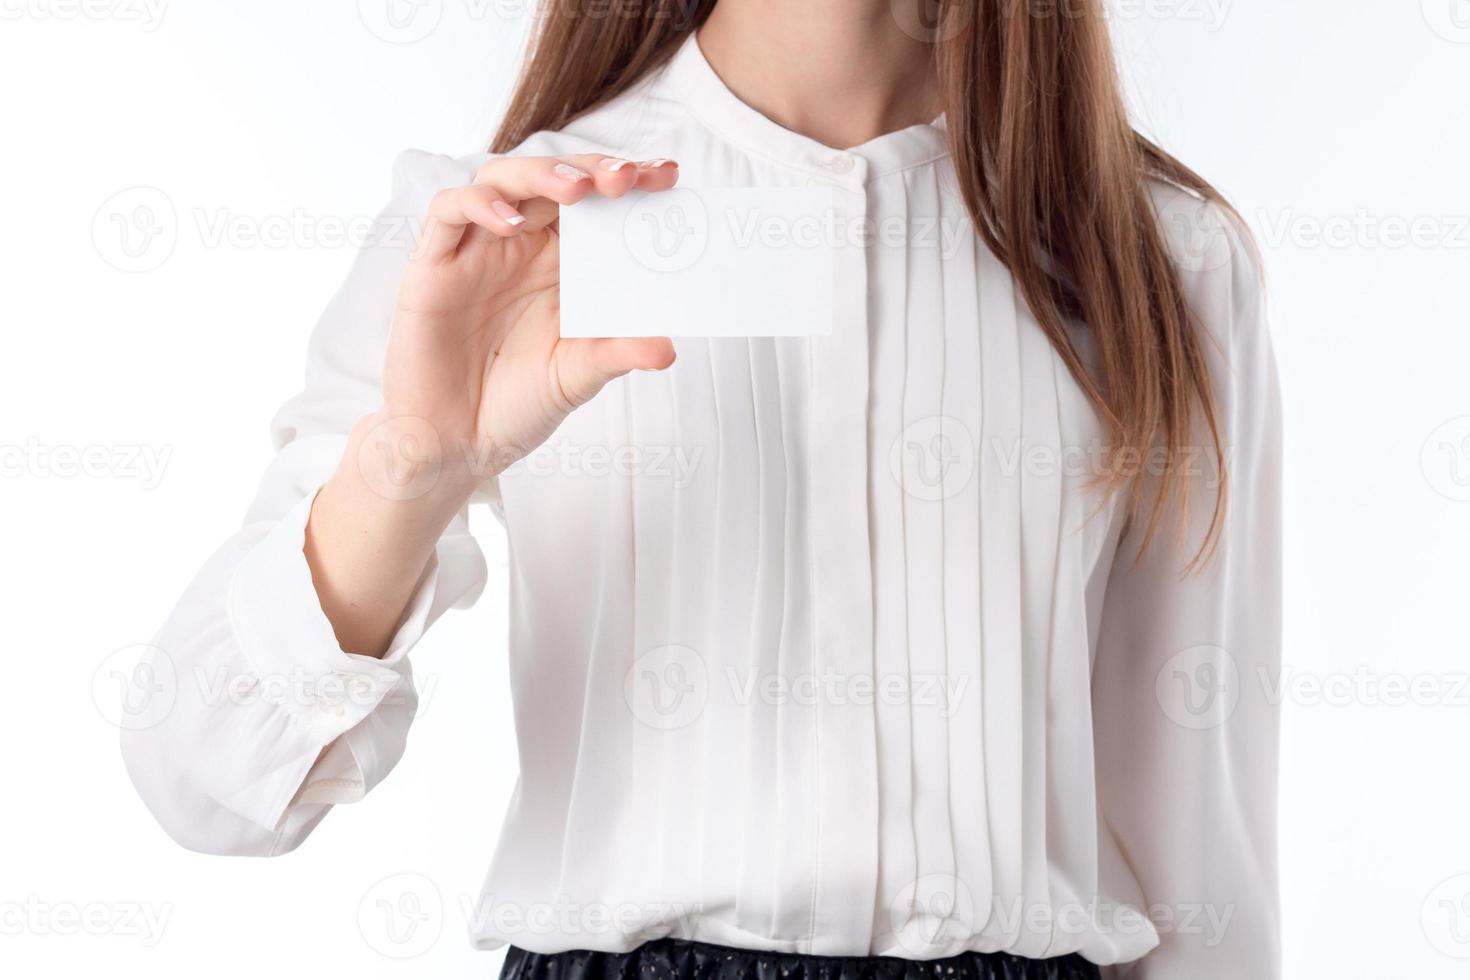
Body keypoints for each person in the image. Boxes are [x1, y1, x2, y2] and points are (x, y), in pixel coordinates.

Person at [121, 2, 1282, 978]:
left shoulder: (1155, 259)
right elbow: (204, 778)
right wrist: (414, 463)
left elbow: (1193, 837)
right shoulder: (511, 231)